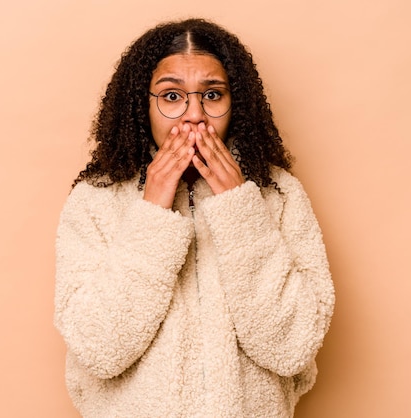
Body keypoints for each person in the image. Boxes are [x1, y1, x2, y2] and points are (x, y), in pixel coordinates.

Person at [54, 18, 335, 418]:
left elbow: (292, 347)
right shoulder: (95, 200)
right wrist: (151, 212)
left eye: (213, 95)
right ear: (141, 105)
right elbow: (100, 350)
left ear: (236, 104)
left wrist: (240, 208)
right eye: (171, 96)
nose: (194, 117)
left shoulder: (279, 194)